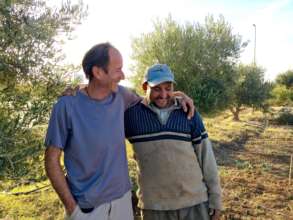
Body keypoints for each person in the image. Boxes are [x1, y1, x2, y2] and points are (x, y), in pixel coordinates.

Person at [44, 43, 194, 220]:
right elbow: (51, 160)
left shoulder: (121, 96)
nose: (123, 75)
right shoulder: (66, 106)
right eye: (118, 70)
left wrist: (178, 95)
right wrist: (73, 209)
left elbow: (153, 99)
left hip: (122, 203)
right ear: (98, 72)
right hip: (86, 209)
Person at [124, 64, 222, 220]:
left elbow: (206, 157)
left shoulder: (188, 112)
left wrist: (216, 198)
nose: (163, 94)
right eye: (157, 89)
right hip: (155, 208)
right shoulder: (131, 116)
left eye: (168, 88)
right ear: (145, 87)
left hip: (195, 204)